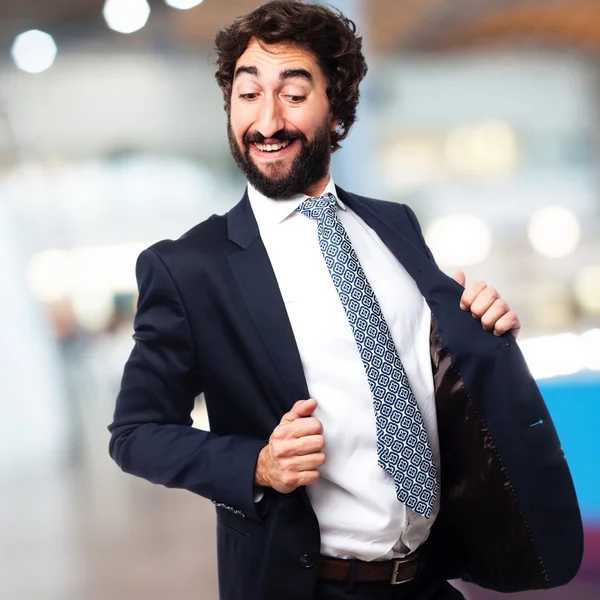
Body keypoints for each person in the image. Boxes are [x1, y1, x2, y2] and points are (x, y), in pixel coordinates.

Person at [108, 2, 582, 599]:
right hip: (312, 585)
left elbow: (428, 363)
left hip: (429, 581)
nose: (267, 120)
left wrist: (478, 322)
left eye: (294, 93)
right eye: (248, 94)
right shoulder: (189, 269)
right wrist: (256, 464)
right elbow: (135, 432)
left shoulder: (395, 225)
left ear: (337, 107)